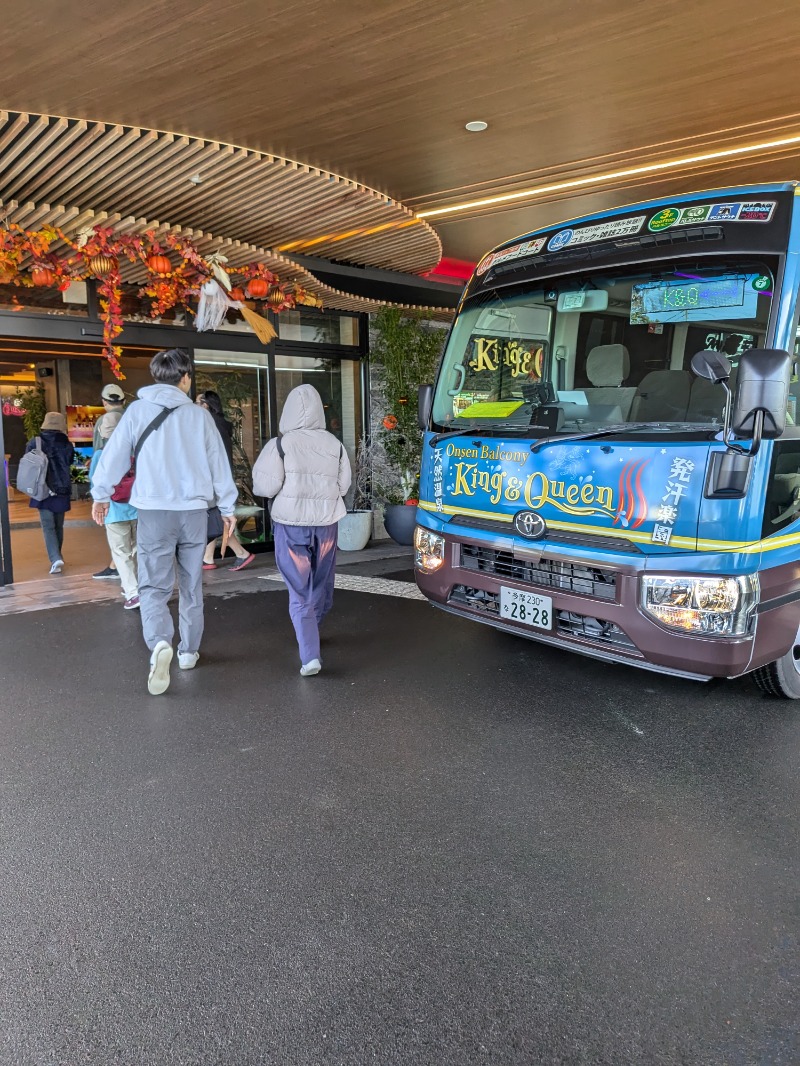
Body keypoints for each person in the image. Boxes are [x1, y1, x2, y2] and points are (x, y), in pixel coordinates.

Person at [91, 349, 237, 696]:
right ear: (185, 378)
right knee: (190, 585)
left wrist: (100, 494)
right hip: (193, 514)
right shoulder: (199, 417)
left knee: (153, 588)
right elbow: (219, 465)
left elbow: (112, 457)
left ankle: (159, 643)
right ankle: (188, 652)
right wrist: (228, 507)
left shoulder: (136, 411)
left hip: (154, 512)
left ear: (157, 377)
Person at [252, 383, 351, 676]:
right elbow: (343, 486)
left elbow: (265, 486)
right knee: (322, 580)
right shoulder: (335, 444)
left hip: (291, 524)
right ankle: (312, 626)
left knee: (299, 589)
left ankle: (310, 656)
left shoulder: (280, 445)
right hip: (326, 522)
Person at [195, 390, 255, 572]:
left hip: (212, 481)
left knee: (216, 519)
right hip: (219, 479)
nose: (194, 406)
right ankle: (208, 557)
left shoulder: (209, 424)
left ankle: (241, 553)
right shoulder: (220, 424)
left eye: (197, 402)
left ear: (205, 405)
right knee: (213, 518)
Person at [88, 410, 139, 609]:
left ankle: (132, 592)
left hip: (114, 511)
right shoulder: (135, 450)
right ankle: (140, 587)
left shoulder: (101, 454)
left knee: (121, 552)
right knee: (136, 550)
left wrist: (98, 503)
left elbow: (97, 484)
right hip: (136, 508)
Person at [25, 411, 74, 575]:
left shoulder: (35, 442)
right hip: (62, 489)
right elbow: (70, 462)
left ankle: (55, 558)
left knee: (48, 526)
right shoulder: (66, 443)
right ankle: (56, 556)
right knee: (58, 525)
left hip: (42, 489)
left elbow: (28, 463)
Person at [92, 383, 126, 581]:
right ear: (123, 401)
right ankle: (116, 565)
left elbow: (100, 459)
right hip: (134, 485)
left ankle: (120, 570)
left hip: (113, 488)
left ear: (104, 402)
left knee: (117, 529)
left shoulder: (102, 422)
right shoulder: (132, 418)